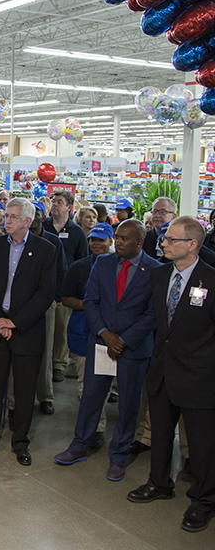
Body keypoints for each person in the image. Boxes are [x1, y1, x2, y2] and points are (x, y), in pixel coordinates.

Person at [54, 219, 160, 483]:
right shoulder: (102, 264)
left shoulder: (156, 270)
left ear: (139, 241)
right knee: (90, 396)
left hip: (132, 349)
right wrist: (105, 334)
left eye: (125, 238)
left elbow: (153, 314)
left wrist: (123, 340)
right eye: (118, 237)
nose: (119, 242)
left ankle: (119, 455)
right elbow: (90, 301)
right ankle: (79, 445)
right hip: (101, 344)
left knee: (127, 404)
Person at [128, 216, 215, 534]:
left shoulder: (211, 280)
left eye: (171, 239)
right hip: (162, 371)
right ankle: (159, 483)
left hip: (199, 377)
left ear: (192, 245)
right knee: (161, 435)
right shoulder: (159, 275)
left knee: (202, 444)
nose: (162, 243)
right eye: (164, 238)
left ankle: (204, 500)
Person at [0, 198, 56, 466]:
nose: (5, 220)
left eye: (12, 217)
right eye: (6, 215)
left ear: (27, 222)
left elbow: (45, 294)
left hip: (25, 329)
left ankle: (20, 442)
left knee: (24, 390)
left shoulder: (46, 250)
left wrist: (15, 322)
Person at [61, 223, 115, 441]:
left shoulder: (118, 267)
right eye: (93, 239)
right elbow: (66, 298)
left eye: (101, 240)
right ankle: (95, 428)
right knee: (86, 385)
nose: (96, 243)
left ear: (111, 241)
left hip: (112, 336)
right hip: (83, 333)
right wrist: (91, 305)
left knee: (105, 384)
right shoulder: (78, 267)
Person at [44, 190, 89, 383]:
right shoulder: (43, 226)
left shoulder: (76, 231)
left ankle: (59, 364)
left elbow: (83, 260)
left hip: (65, 288)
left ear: (69, 208)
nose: (55, 204)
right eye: (53, 201)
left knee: (61, 329)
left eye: (60, 202)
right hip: (45, 287)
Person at [28, 201, 68, 417]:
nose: (33, 218)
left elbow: (60, 270)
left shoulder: (52, 241)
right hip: (20, 304)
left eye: (37, 214)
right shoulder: (16, 240)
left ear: (43, 217)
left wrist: (54, 298)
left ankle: (45, 396)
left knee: (46, 348)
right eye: (30, 214)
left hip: (46, 303)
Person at [143, 196, 178, 261]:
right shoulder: (144, 238)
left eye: (163, 212)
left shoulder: (179, 240)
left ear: (173, 216)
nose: (157, 215)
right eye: (155, 211)